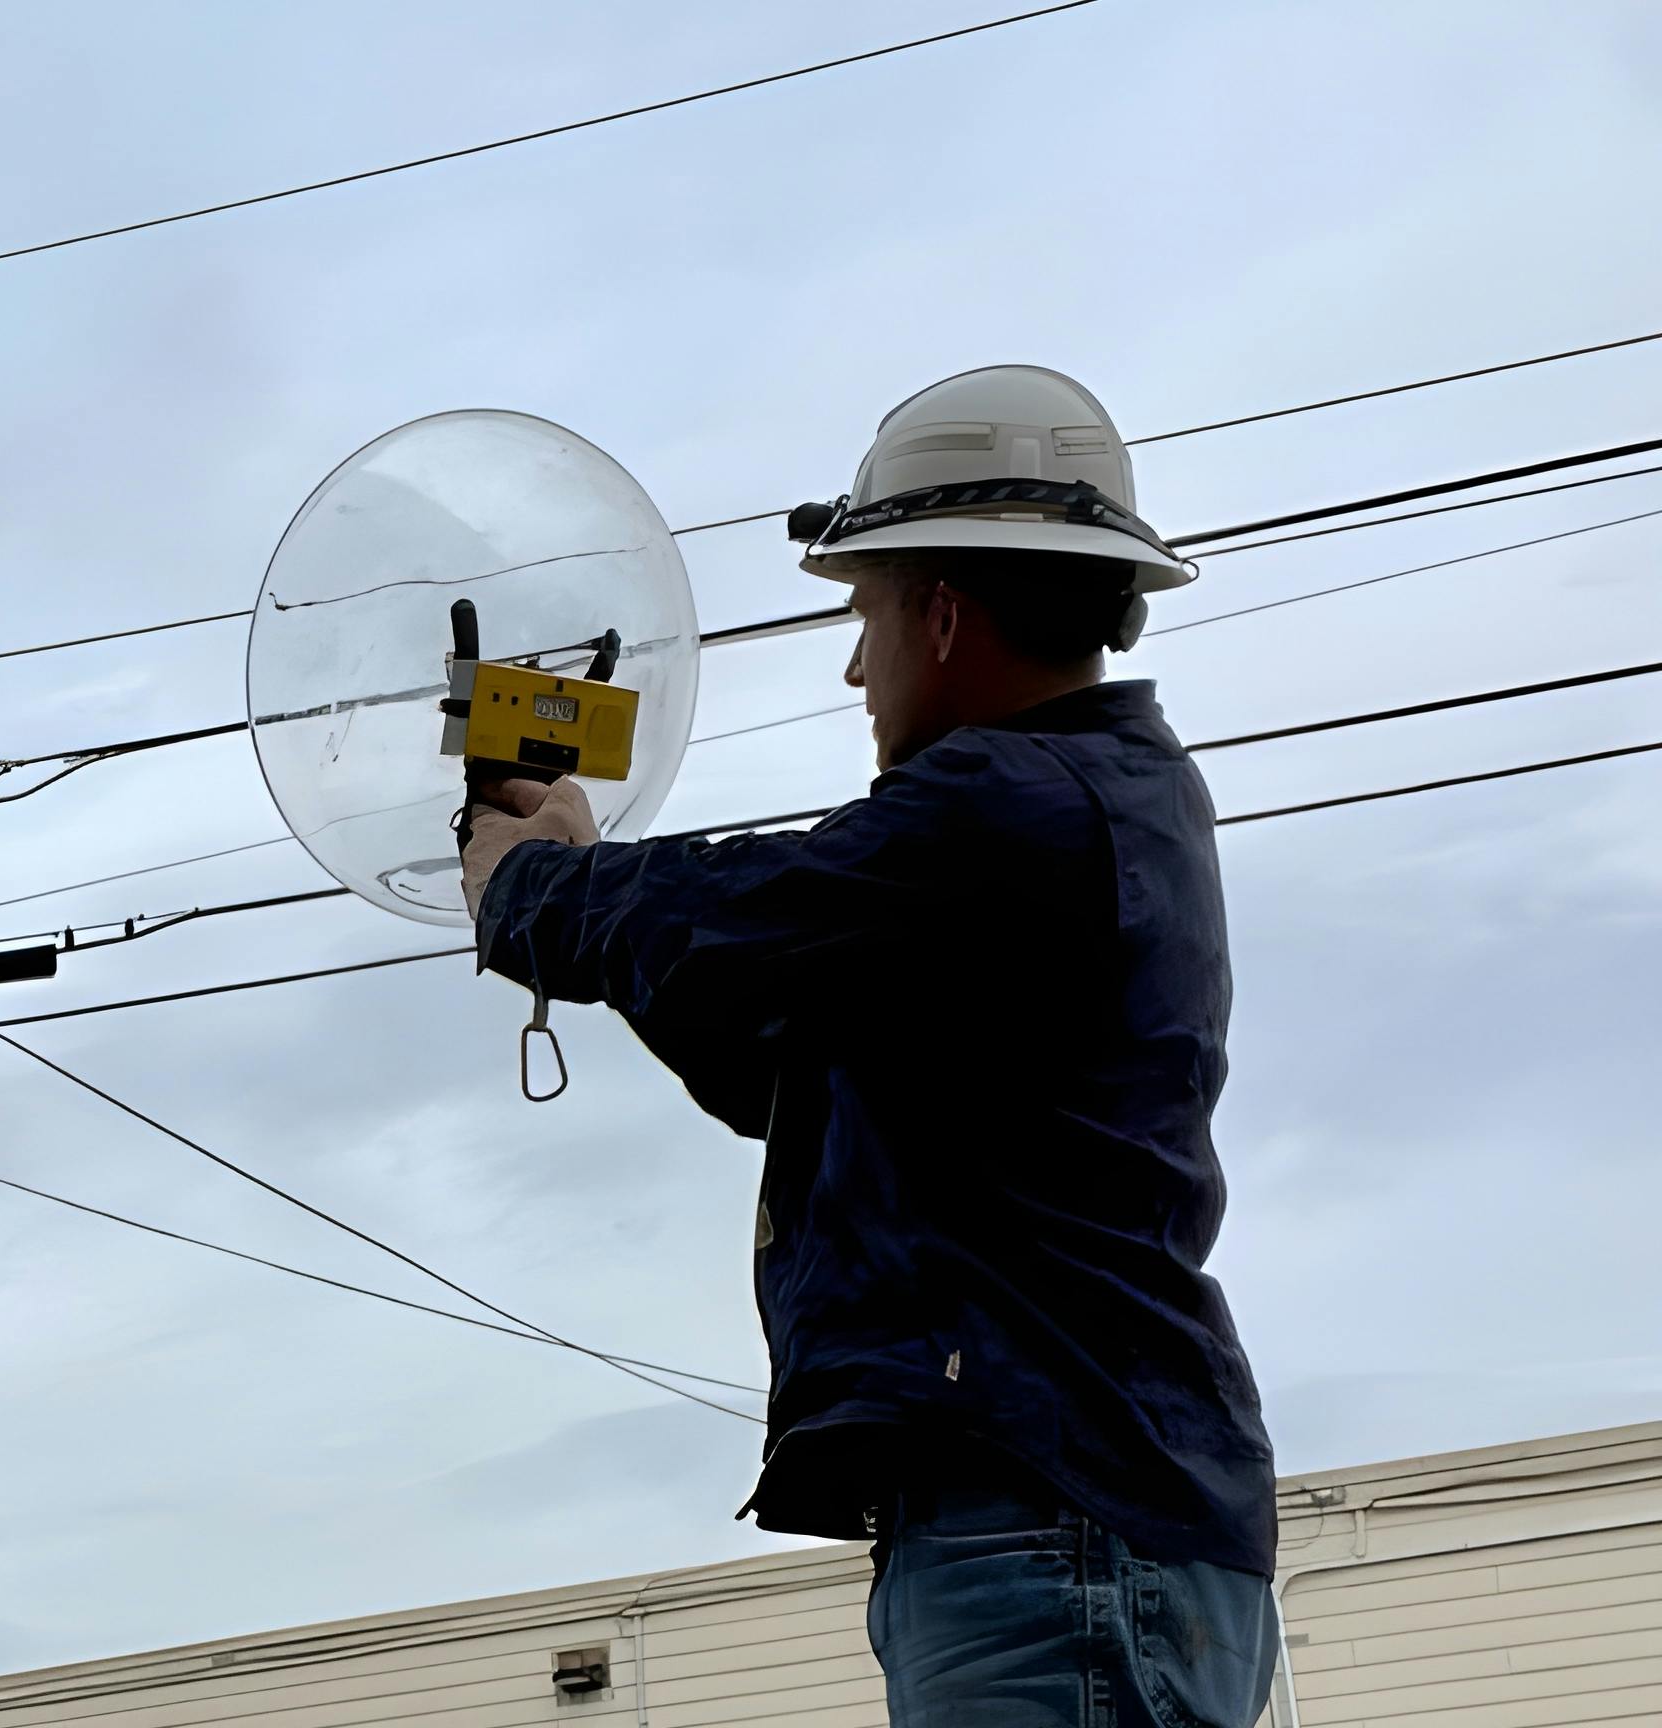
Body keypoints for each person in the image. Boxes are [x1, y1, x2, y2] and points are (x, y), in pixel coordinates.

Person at [458, 366, 1281, 1725]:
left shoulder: (1013, 802)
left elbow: (751, 919)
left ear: (944, 613)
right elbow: (777, 1045)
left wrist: (531, 893)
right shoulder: (1083, 806)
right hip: (1081, 1511)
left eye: (864, 614)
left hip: (1050, 1522)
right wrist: (583, 881)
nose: (854, 664)